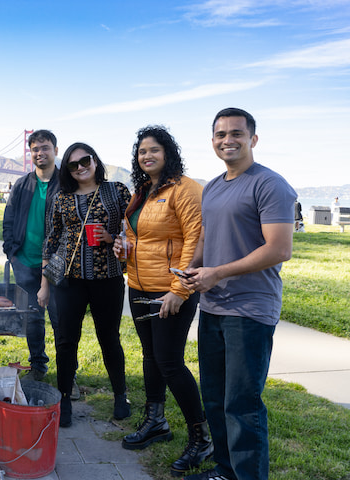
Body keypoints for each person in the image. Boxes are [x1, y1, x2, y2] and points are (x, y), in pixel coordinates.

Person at [181, 108, 295, 480]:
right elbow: (205, 239)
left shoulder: (270, 184)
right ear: (212, 140)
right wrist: (192, 269)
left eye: (236, 133)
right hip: (213, 306)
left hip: (249, 310)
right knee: (215, 399)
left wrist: (218, 273)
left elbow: (279, 248)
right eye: (220, 134)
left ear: (253, 139)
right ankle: (225, 471)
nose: (227, 140)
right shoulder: (213, 186)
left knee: (242, 405)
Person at [115, 126, 212, 477]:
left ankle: (201, 437)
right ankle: (156, 421)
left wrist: (180, 290)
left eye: (154, 150)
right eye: (142, 151)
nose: (147, 156)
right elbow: (133, 235)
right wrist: (122, 248)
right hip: (139, 286)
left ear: (168, 153)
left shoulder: (187, 190)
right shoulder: (142, 191)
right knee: (151, 356)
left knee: (170, 362)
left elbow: (194, 241)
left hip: (170, 290)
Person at [39, 142, 131, 427]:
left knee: (109, 339)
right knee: (66, 341)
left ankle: (120, 396)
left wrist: (112, 236)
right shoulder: (61, 199)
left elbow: (133, 231)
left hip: (108, 279)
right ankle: (64, 398)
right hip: (69, 280)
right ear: (67, 170)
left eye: (85, 161)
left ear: (95, 160)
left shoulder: (116, 191)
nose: (80, 168)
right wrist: (45, 284)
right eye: (73, 165)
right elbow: (52, 242)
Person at [2, 130, 61, 383]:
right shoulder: (22, 184)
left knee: (62, 321)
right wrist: (11, 252)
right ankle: (38, 366)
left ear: (55, 150)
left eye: (45, 148)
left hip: (58, 264)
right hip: (25, 262)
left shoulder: (66, 184)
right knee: (33, 318)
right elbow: (9, 217)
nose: (39, 153)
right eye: (35, 149)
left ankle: (69, 373)